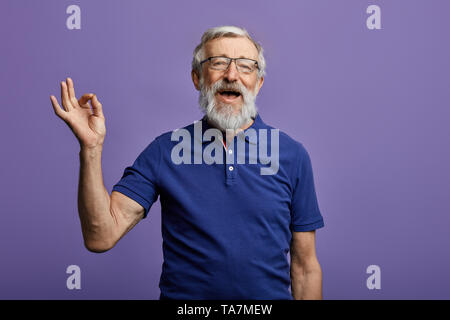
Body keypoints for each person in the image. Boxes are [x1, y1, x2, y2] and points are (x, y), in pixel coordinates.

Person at [50, 26, 325, 300]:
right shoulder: (164, 151)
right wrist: (91, 147)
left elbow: (304, 268)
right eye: (218, 63)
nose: (231, 75)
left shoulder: (291, 156)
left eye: (245, 66)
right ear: (197, 78)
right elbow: (100, 236)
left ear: (259, 82)